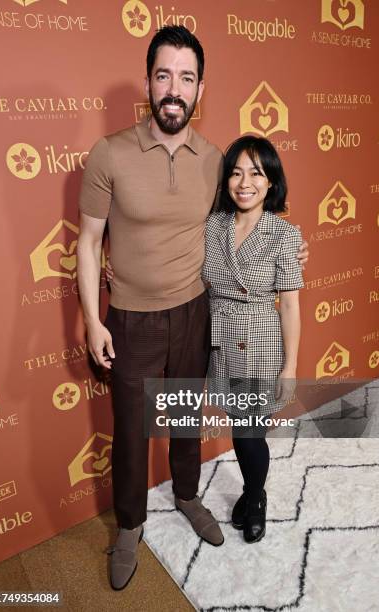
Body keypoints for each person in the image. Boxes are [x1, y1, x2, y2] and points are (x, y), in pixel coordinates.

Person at [77, 25, 308, 591]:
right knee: (130, 429)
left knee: (184, 419)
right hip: (129, 315)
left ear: (200, 89)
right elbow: (87, 243)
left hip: (195, 313)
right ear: (149, 82)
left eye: (186, 77)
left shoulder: (216, 160)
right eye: (164, 76)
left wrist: (290, 243)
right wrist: (90, 318)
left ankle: (185, 496)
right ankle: (130, 525)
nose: (174, 89)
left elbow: (246, 216)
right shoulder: (108, 153)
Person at [203, 135, 303, 543]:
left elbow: (291, 306)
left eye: (256, 173)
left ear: (270, 182)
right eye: (236, 171)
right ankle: (252, 491)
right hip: (219, 339)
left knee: (249, 430)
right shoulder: (212, 224)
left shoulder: (284, 234)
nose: (244, 182)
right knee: (238, 424)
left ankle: (254, 496)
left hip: (260, 338)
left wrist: (291, 365)